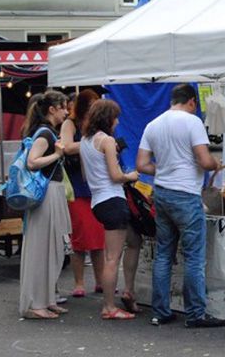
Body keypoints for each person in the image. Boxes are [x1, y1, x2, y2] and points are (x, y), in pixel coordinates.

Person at [136, 84, 225, 328]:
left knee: (164, 254)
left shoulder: (152, 125)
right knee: (194, 257)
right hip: (186, 194)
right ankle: (196, 313)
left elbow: (142, 164)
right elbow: (204, 160)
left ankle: (160, 311)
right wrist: (215, 163)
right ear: (192, 102)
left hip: (162, 193)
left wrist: (165, 168)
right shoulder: (192, 122)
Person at [80, 100, 141, 320]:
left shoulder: (85, 141)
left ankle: (128, 290)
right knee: (112, 258)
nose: (117, 122)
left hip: (98, 200)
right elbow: (116, 176)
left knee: (135, 241)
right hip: (113, 200)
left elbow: (86, 176)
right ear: (108, 118)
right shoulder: (107, 140)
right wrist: (131, 176)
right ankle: (108, 306)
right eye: (115, 118)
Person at [19, 90, 71, 319]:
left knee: (51, 247)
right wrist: (57, 155)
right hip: (47, 193)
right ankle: (35, 302)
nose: (67, 111)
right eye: (63, 107)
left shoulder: (47, 132)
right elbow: (32, 162)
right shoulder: (45, 134)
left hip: (51, 192)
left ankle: (46, 298)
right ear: (52, 109)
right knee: (43, 248)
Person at [60, 89, 105, 297]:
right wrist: (91, 145)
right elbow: (67, 147)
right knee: (79, 237)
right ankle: (79, 283)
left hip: (96, 185)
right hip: (77, 185)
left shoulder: (97, 126)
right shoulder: (70, 124)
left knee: (99, 238)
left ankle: (101, 280)